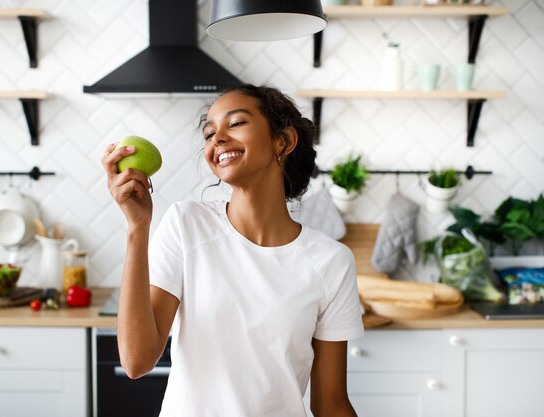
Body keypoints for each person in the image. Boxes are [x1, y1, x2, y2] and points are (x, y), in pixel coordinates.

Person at [101, 84, 364, 417]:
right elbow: (136, 361)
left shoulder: (331, 261)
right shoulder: (187, 224)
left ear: (282, 140)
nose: (217, 139)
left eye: (236, 123)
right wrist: (137, 228)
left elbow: (331, 404)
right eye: (210, 133)